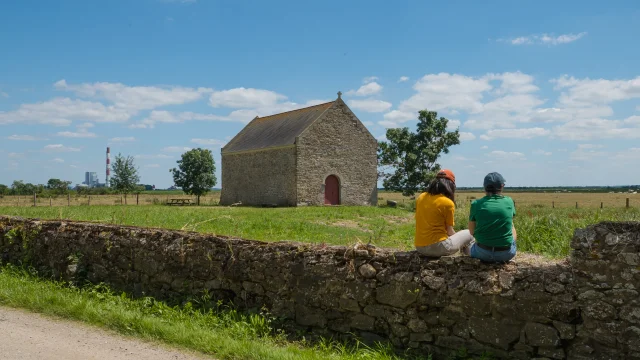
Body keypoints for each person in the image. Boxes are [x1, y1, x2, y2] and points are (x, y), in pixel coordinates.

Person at [415, 169, 474, 257]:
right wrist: (460, 241)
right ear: (451, 185)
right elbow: (449, 231)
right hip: (438, 248)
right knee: (469, 233)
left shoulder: (421, 197)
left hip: (419, 247)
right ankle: (470, 258)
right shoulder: (447, 203)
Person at [468, 172, 517, 263]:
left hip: (482, 253)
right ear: (502, 186)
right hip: (506, 254)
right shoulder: (509, 201)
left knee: (469, 247)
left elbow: (471, 231)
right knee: (512, 224)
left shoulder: (475, 204)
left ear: (484, 187)